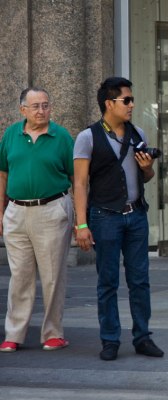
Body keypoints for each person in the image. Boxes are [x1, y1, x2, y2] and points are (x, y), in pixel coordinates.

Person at [73, 77, 164, 361]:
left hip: (136, 215)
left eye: (132, 99)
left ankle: (142, 337)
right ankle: (110, 339)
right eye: (127, 100)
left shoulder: (138, 133)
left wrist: (148, 169)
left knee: (140, 280)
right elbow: (79, 183)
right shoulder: (87, 137)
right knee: (108, 281)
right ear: (109, 103)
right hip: (104, 217)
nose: (132, 105)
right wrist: (82, 225)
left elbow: (145, 176)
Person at [0, 88, 74, 353]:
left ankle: (52, 333)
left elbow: (76, 176)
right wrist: (0, 213)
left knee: (53, 275)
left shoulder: (61, 136)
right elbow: (2, 175)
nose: (42, 111)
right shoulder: (10, 135)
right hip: (17, 212)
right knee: (20, 275)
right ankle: (14, 334)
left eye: (45, 105)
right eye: (35, 106)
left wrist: (80, 218)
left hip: (52, 209)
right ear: (23, 110)